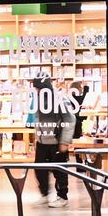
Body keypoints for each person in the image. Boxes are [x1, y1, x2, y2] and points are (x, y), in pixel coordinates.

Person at [31, 77, 74, 207]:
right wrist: (36, 137)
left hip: (56, 140)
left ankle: (62, 196)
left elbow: (70, 120)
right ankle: (45, 194)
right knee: (40, 170)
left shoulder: (60, 98)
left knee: (59, 171)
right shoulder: (38, 99)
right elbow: (38, 120)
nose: (37, 91)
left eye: (38, 88)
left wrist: (65, 141)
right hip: (42, 141)